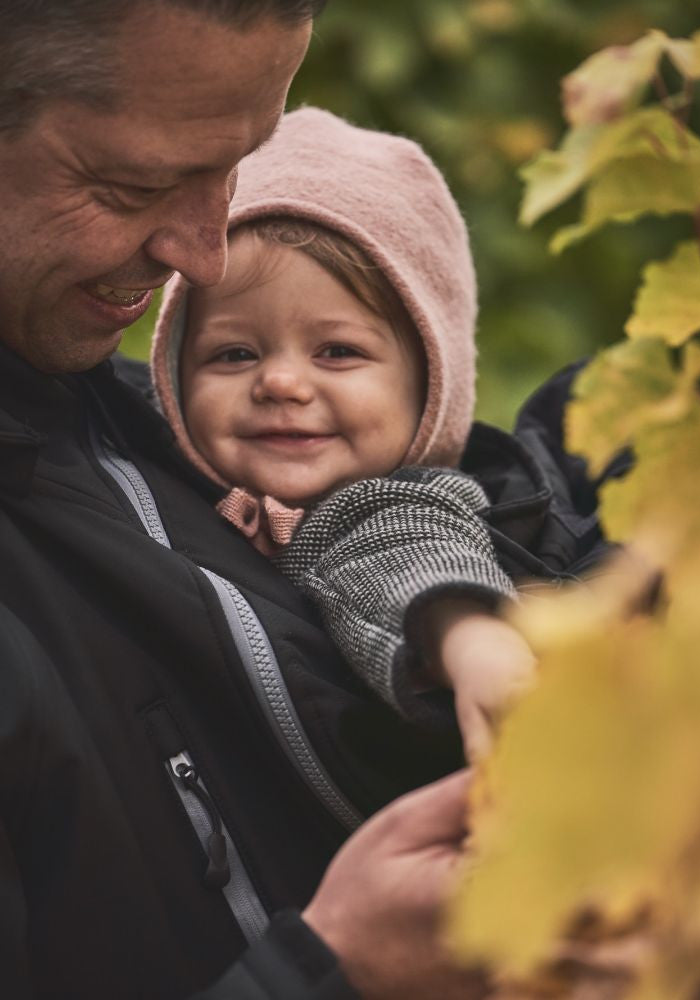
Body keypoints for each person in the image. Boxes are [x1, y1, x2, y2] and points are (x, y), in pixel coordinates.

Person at [0, 2, 493, 998]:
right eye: (132, 185)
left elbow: (395, 520)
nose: (206, 251)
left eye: (233, 168)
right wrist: (335, 970)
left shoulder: (131, 421)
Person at [150, 107, 539, 764]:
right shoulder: (153, 483)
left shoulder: (388, 501)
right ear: (174, 375)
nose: (281, 383)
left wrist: (473, 640)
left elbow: (404, 553)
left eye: (335, 352)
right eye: (234, 355)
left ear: (429, 384)